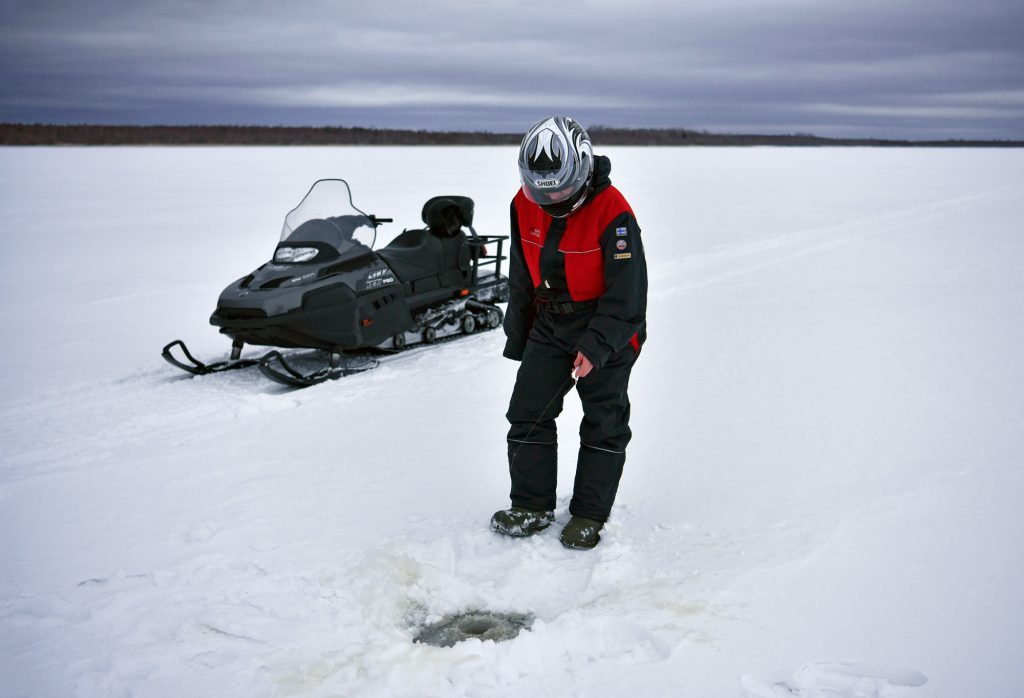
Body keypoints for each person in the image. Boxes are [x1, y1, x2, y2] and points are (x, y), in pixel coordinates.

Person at [490, 116, 647, 550]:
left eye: (559, 188)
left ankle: (589, 513)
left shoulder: (614, 212)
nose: (550, 197)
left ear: (579, 170)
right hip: (549, 321)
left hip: (607, 326)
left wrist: (596, 346)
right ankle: (532, 506)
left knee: (603, 423)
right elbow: (521, 275)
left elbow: (629, 297)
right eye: (542, 189)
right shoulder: (523, 204)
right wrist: (519, 335)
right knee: (527, 413)